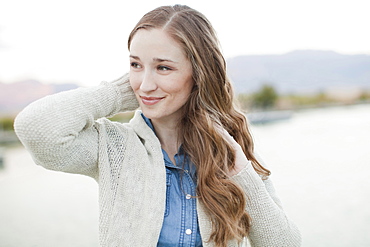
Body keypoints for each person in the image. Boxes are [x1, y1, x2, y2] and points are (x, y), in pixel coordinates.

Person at [14, 4, 301, 247]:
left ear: (198, 74)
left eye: (163, 67)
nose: (146, 84)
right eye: (136, 65)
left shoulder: (231, 149)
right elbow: (36, 129)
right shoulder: (114, 148)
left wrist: (242, 176)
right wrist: (123, 92)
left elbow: (285, 243)